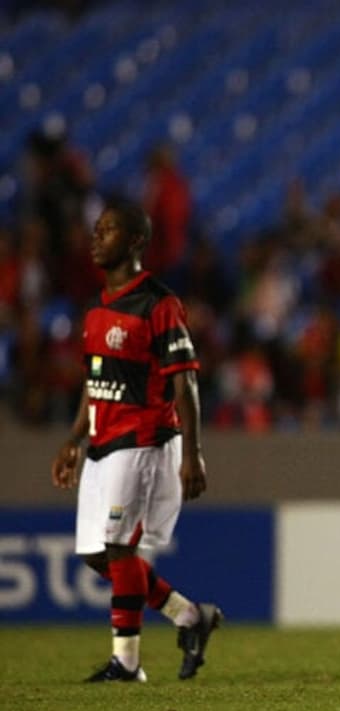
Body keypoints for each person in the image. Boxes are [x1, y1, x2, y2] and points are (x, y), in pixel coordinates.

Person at [49, 199, 222, 682]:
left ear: (136, 241)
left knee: (121, 549)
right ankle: (189, 616)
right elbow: (95, 381)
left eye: (107, 230)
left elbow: (184, 383)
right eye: (96, 229)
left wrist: (193, 452)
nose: (95, 237)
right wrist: (73, 439)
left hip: (144, 440)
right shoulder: (97, 311)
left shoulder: (159, 304)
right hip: (103, 444)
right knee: (95, 554)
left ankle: (126, 664)